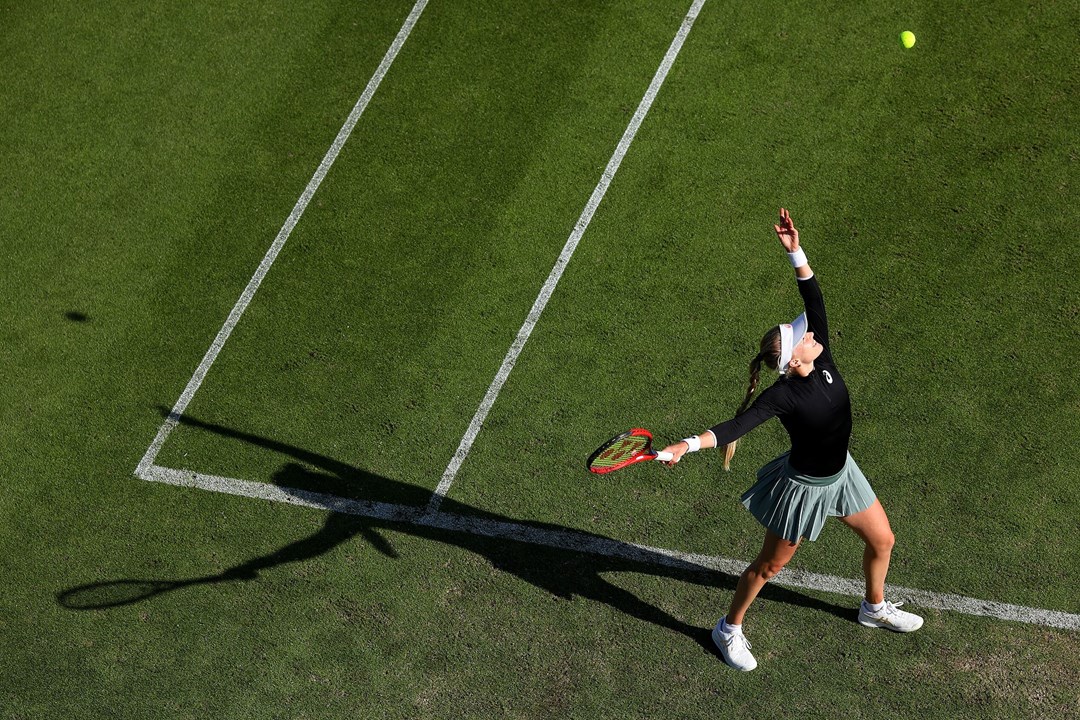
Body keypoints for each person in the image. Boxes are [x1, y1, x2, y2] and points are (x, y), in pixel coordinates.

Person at [661, 208, 923, 672]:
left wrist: (794, 250)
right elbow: (733, 428)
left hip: (843, 474)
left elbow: (813, 294)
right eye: (804, 336)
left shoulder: (819, 353)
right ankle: (727, 629)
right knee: (768, 567)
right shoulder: (783, 396)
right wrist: (685, 445)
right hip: (803, 488)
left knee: (883, 540)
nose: (813, 332)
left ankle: (873, 607)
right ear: (794, 361)